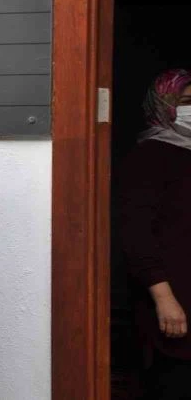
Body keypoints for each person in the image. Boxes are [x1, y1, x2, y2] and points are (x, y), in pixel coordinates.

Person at [117, 68, 191, 399]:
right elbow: (135, 235)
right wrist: (164, 298)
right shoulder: (149, 157)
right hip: (173, 304)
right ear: (163, 104)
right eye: (185, 101)